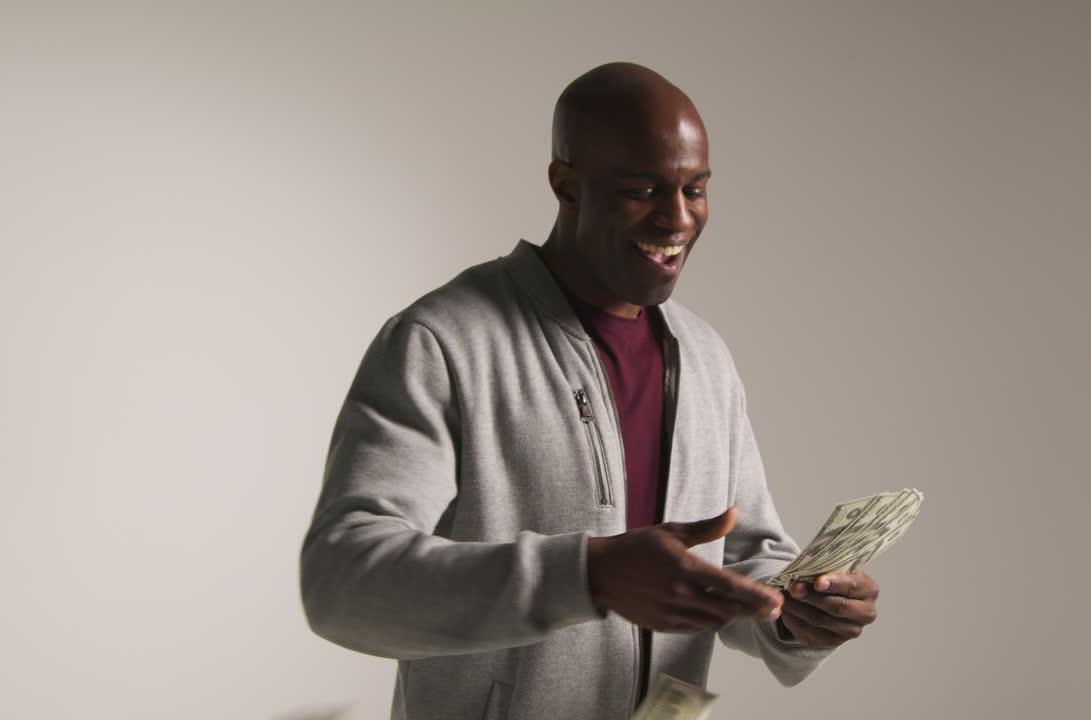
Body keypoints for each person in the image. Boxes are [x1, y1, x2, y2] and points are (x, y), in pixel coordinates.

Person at [301, 62, 881, 720]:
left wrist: (796, 611)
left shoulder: (705, 356)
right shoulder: (443, 342)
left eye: (695, 189)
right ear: (566, 185)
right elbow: (343, 583)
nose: (678, 218)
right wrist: (586, 575)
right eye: (642, 190)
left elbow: (744, 553)